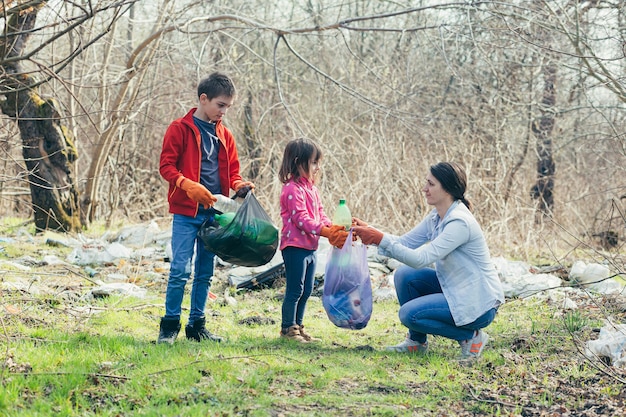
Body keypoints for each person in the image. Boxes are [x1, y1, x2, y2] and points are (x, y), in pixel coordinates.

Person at [352, 162, 504, 360]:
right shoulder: (437, 216)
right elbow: (404, 242)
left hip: (477, 302)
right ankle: (416, 343)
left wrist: (379, 238)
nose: (425, 188)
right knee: (405, 274)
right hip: (456, 289)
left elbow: (421, 259)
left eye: (431, 184)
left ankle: (471, 336)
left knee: (409, 315)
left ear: (448, 188)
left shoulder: (459, 222)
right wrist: (372, 232)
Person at [157, 72, 255, 345]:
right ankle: (169, 325)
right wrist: (187, 185)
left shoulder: (226, 135)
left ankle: (197, 326)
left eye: (228, 107)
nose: (224, 112)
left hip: (216, 213)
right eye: (220, 105)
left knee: (205, 272)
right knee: (179, 269)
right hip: (186, 213)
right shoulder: (179, 128)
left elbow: (233, 173)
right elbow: (166, 166)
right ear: (204, 99)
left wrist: (240, 185)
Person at [278, 138, 349, 343]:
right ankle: (287, 329)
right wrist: (325, 232)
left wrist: (333, 227)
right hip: (294, 247)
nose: (318, 167)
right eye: (314, 162)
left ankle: (298, 326)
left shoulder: (312, 189)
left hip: (310, 247)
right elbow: (301, 219)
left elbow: (320, 214)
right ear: (299, 163)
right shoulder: (291, 189)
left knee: (307, 289)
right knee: (295, 289)